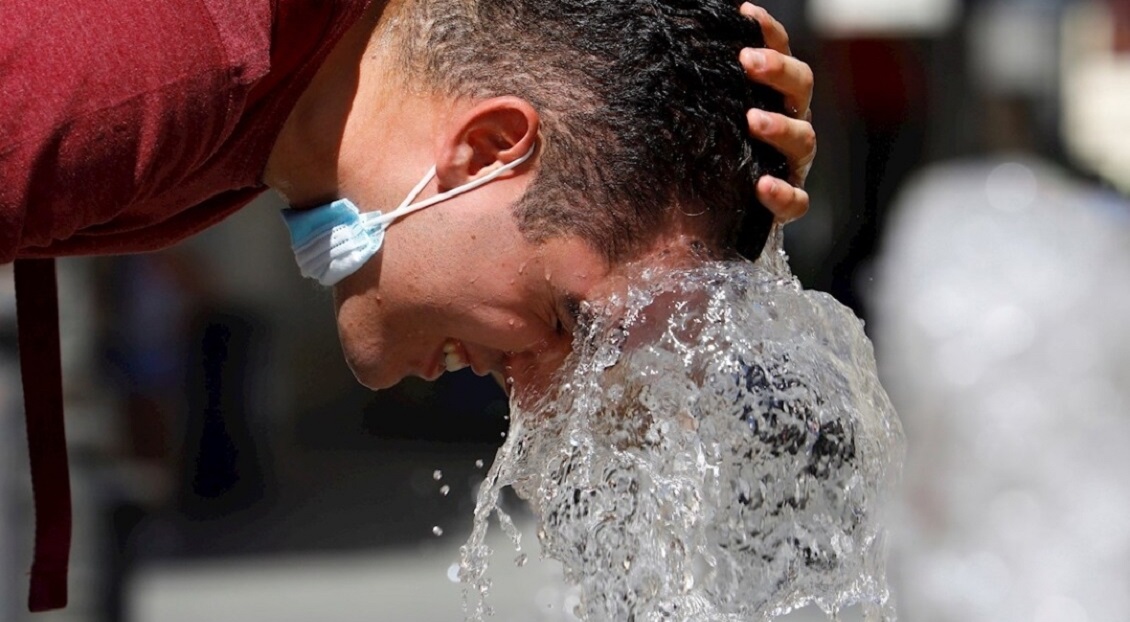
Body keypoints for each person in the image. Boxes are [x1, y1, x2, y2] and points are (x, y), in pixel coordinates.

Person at [2, 0, 817, 612]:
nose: (536, 394)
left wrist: (712, 151)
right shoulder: (153, 62)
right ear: (486, 151)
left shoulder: (260, 81)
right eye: (565, 323)